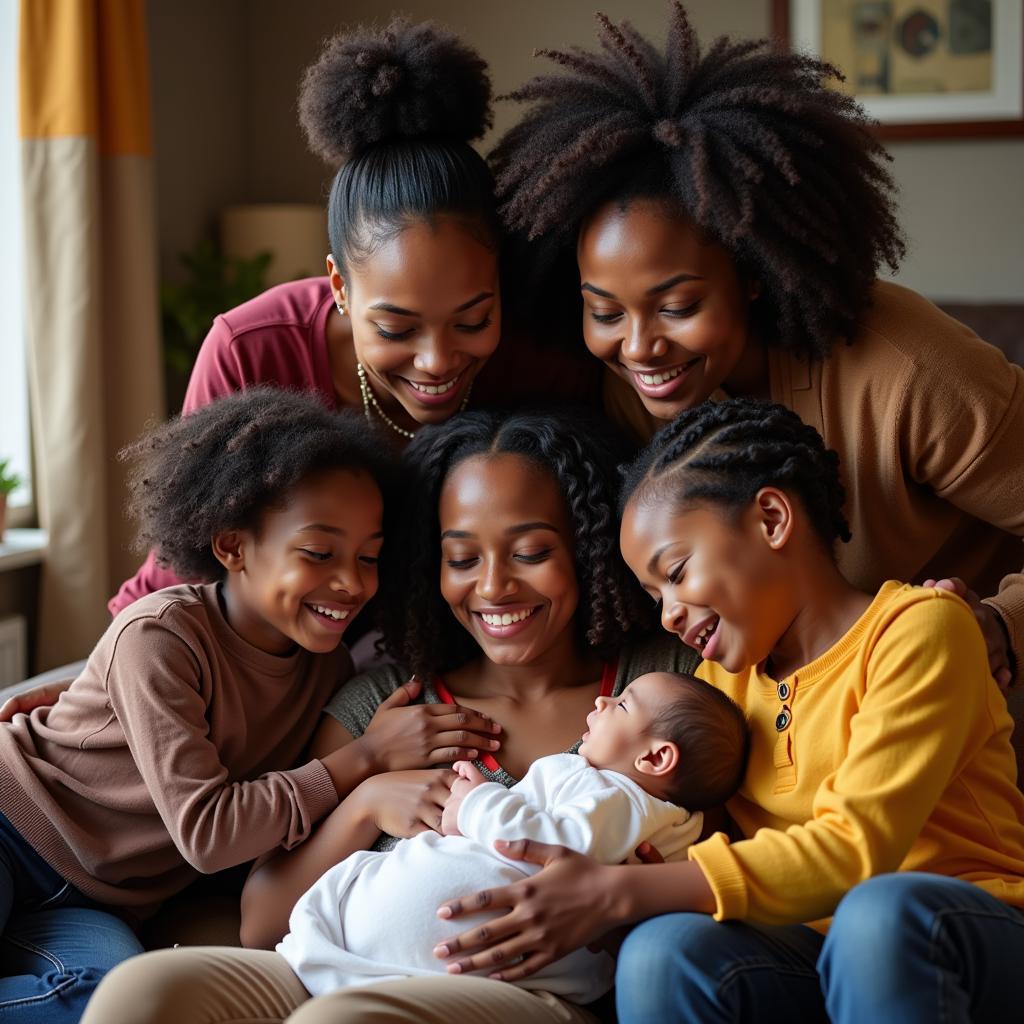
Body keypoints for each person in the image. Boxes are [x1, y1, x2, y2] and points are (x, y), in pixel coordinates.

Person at [79, 409, 697, 1024]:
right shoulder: (383, 706)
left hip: (527, 990)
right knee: (143, 993)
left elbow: (718, 855)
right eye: (461, 560)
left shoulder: (662, 686)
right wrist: (367, 802)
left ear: (586, 546)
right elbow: (261, 921)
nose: (494, 586)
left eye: (531, 551)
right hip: (328, 964)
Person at [427, 398, 1024, 1024]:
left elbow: (855, 851)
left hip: (962, 930)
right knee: (664, 951)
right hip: (808, 948)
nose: (668, 614)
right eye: (654, 596)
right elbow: (692, 847)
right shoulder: (719, 686)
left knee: (877, 916)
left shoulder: (918, 630)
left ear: (770, 518)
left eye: (677, 572)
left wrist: (622, 891)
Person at [489, 2, 1024, 689]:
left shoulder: (909, 372)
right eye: (605, 312)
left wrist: (1004, 624)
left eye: (677, 306)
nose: (640, 347)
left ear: (751, 276)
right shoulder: (627, 395)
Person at [105, 16, 598, 620]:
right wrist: (97, 677)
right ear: (339, 285)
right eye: (396, 329)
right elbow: (187, 557)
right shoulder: (251, 349)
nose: (438, 361)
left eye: (473, 321)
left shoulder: (541, 353)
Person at [0, 387, 396, 1023]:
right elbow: (210, 835)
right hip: (10, 822)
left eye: (368, 557)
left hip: (95, 899)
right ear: (233, 547)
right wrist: (367, 757)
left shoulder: (329, 672)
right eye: (320, 553)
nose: (351, 582)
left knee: (99, 1003)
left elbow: (269, 828)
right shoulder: (160, 636)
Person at [278, 671, 745, 1006]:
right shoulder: (602, 787)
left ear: (656, 758)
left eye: (621, 705)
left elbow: (558, 846)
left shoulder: (624, 800)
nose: (602, 704)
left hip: (447, 982)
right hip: (352, 951)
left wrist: (477, 802)